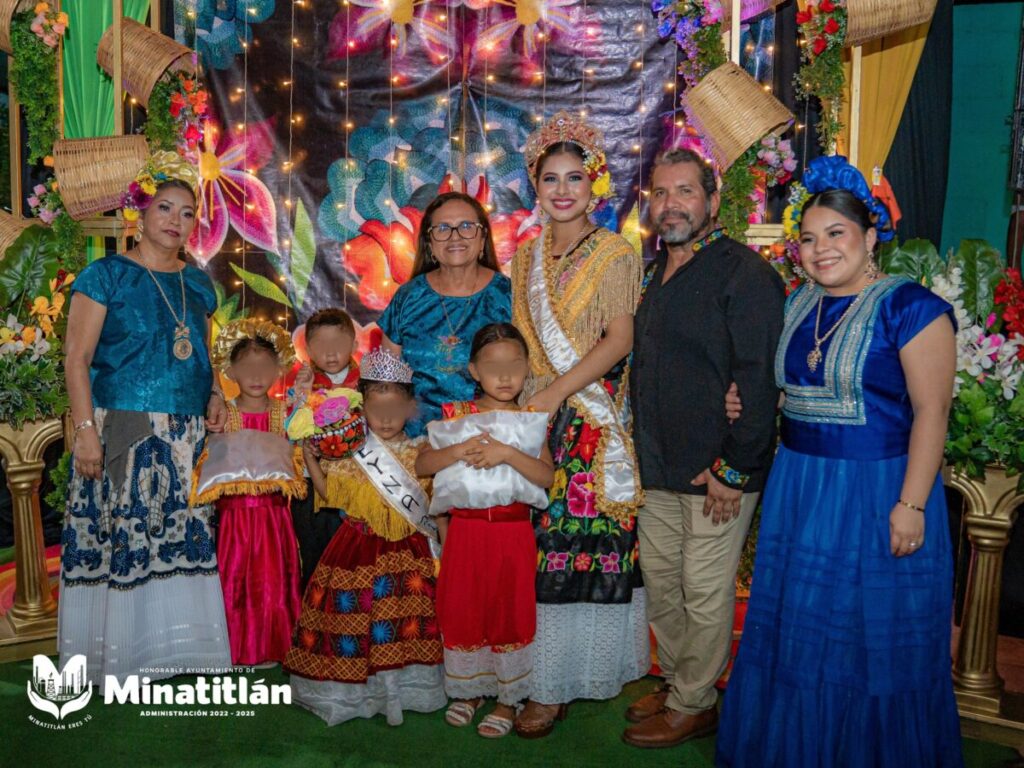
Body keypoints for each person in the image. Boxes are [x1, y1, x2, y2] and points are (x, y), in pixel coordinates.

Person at [716, 156, 963, 767]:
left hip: (878, 492)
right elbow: (787, 388)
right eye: (807, 237)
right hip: (801, 489)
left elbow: (932, 412)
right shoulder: (799, 304)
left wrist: (910, 505)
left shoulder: (911, 307)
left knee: (868, 637)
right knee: (801, 635)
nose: (820, 249)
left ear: (870, 236)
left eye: (836, 234)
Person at [623, 148, 785, 748]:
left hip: (717, 472)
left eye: (685, 192)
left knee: (703, 587)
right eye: (661, 194)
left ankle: (695, 702)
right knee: (663, 585)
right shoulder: (652, 273)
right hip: (657, 467)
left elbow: (761, 380)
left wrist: (733, 468)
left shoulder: (744, 274)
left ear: (713, 201)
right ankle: (678, 682)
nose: (671, 205)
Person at [60, 152, 231, 691]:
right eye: (164, 208)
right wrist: (85, 431)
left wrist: (218, 392)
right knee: (125, 537)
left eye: (186, 213)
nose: (175, 221)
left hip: (186, 433)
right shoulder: (106, 274)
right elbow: (75, 359)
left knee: (182, 536)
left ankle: (176, 652)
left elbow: (200, 351)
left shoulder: (199, 283)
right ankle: (119, 655)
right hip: (122, 428)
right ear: (140, 214)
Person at [510, 112, 649, 737]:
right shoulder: (524, 257)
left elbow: (620, 339)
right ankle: (532, 674)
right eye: (549, 179)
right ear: (534, 188)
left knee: (579, 546)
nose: (562, 190)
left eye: (575, 177)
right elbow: (520, 341)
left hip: (591, 421)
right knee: (533, 547)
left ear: (596, 183)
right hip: (538, 415)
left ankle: (561, 683)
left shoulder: (618, 251)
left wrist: (559, 395)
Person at [285, 349, 445, 726]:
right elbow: (328, 494)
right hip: (354, 548)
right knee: (350, 617)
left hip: (410, 550)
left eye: (395, 408)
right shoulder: (352, 453)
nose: (386, 419)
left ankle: (407, 689)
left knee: (407, 619)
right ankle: (352, 692)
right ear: (362, 411)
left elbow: (437, 504)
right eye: (376, 410)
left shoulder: (422, 451)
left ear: (410, 408)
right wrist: (310, 460)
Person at [416, 323, 554, 739]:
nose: (505, 375)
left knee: (509, 608)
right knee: (463, 604)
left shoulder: (530, 422)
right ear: (474, 370)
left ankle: (508, 699)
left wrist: (507, 453)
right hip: (466, 532)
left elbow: (545, 477)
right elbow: (423, 465)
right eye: (493, 366)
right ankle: (469, 691)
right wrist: (458, 450)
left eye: (514, 364)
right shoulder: (455, 418)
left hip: (512, 532)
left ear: (527, 368)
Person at [378, 192, 511, 437]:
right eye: (442, 228)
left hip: (491, 440)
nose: (455, 236)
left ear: (482, 239)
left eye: (467, 226)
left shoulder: (508, 296)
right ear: (429, 244)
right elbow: (387, 383)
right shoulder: (408, 297)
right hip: (416, 441)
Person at [209, 320, 302, 666]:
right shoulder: (224, 416)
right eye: (247, 367)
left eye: (264, 367)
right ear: (230, 371)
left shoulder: (284, 415)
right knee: (235, 580)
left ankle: (276, 644)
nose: (256, 375)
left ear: (278, 371)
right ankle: (235, 647)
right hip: (233, 519)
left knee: (274, 580)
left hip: (274, 517)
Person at [288, 308, 361, 588]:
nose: (331, 353)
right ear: (307, 350)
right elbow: (291, 433)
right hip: (312, 488)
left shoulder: (367, 385)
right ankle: (314, 629)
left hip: (356, 488)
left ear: (354, 345)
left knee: (354, 563)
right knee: (316, 562)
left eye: (338, 345)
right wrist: (302, 398)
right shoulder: (303, 386)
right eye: (321, 345)